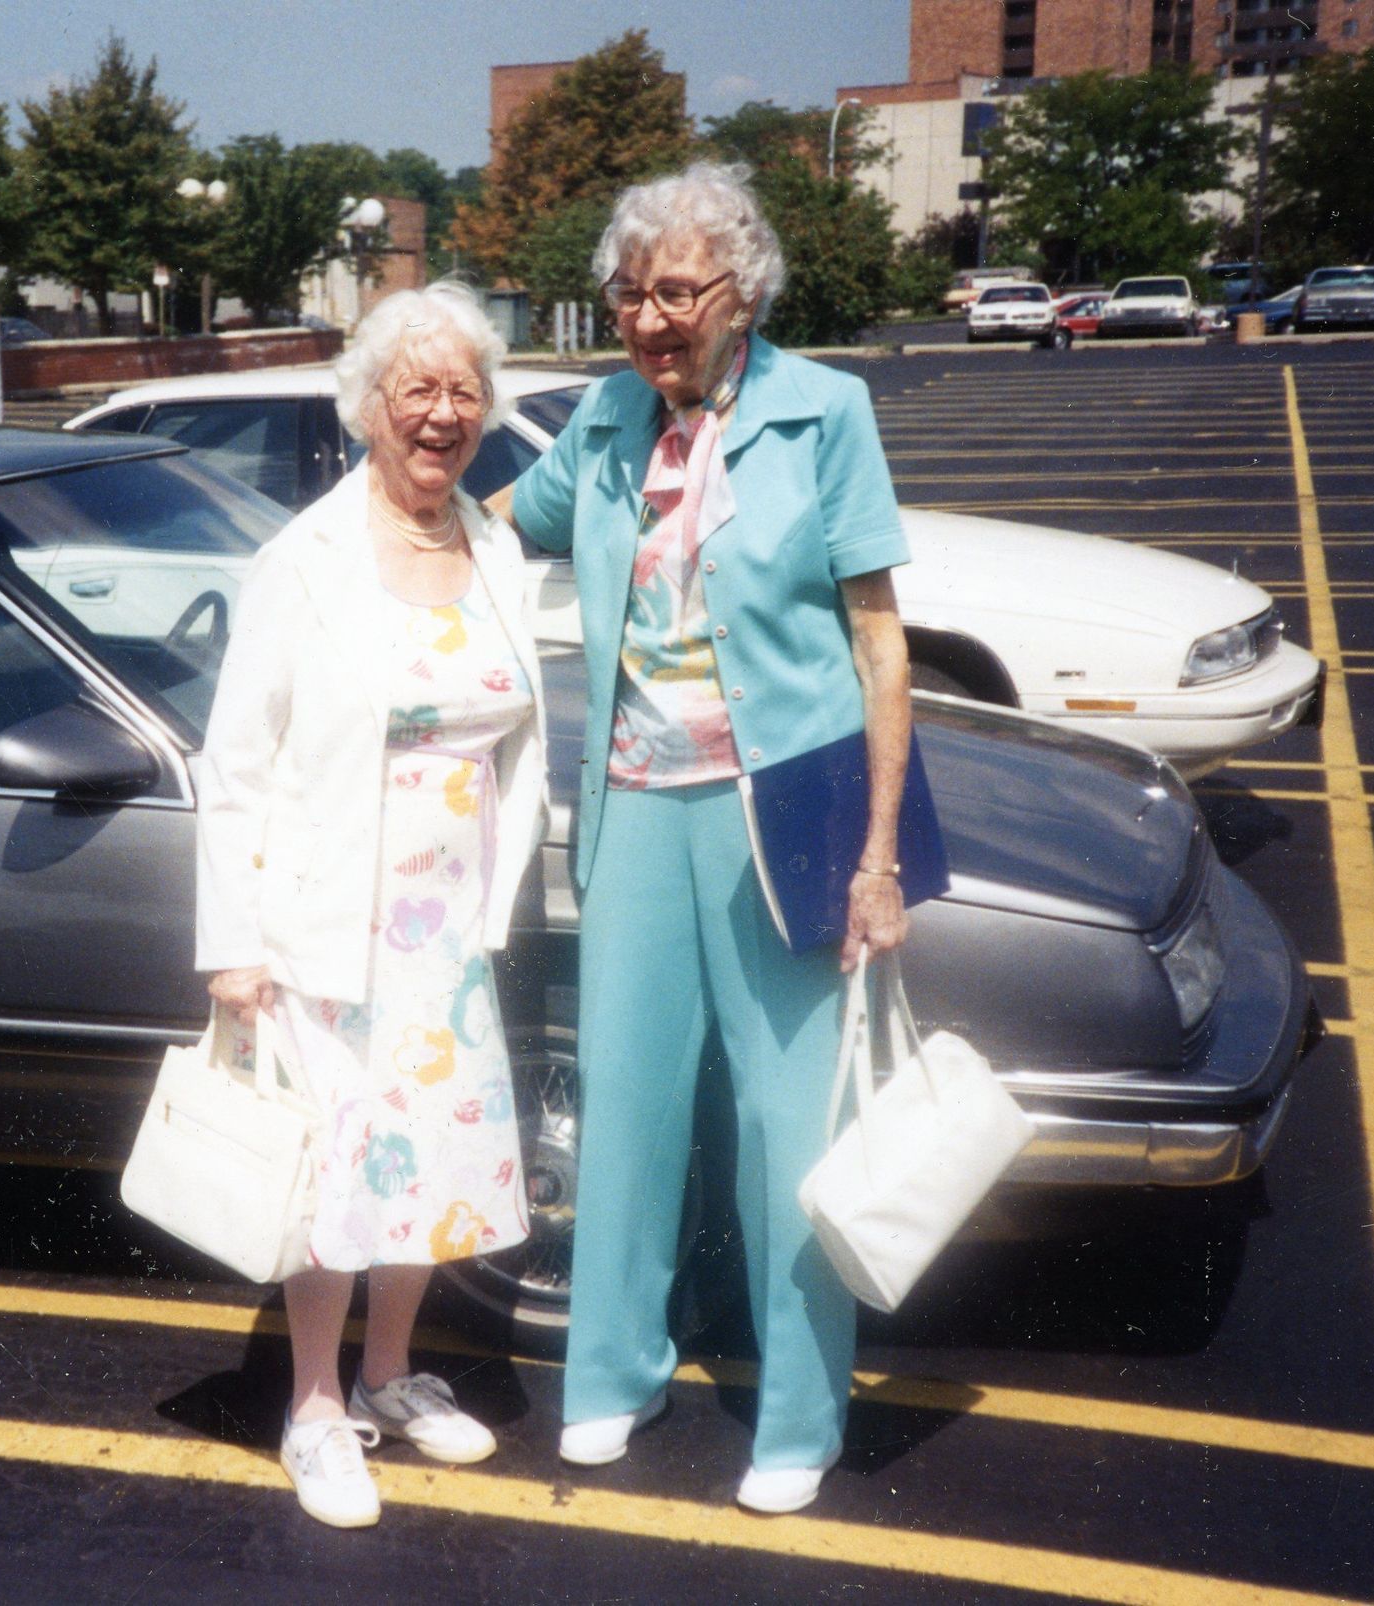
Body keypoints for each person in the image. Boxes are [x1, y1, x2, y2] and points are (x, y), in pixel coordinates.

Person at [492, 160, 913, 1514]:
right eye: (630, 294)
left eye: (677, 292)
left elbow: (880, 644)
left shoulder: (825, 412)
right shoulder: (606, 416)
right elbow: (500, 531)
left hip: (783, 816)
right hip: (631, 806)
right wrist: (380, 522)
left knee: (788, 1126)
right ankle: (612, 1374)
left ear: (744, 293)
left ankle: (799, 1418)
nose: (650, 319)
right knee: (624, 1104)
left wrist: (878, 857)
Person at [193, 280, 550, 1530]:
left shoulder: (493, 548)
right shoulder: (304, 562)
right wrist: (235, 944)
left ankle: (389, 1374)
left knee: (428, 1155)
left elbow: (518, 732)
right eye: (418, 391)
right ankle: (311, 1407)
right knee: (335, 1171)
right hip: (328, 920)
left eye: (465, 392)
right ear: (367, 408)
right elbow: (236, 762)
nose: (443, 415)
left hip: (450, 922)